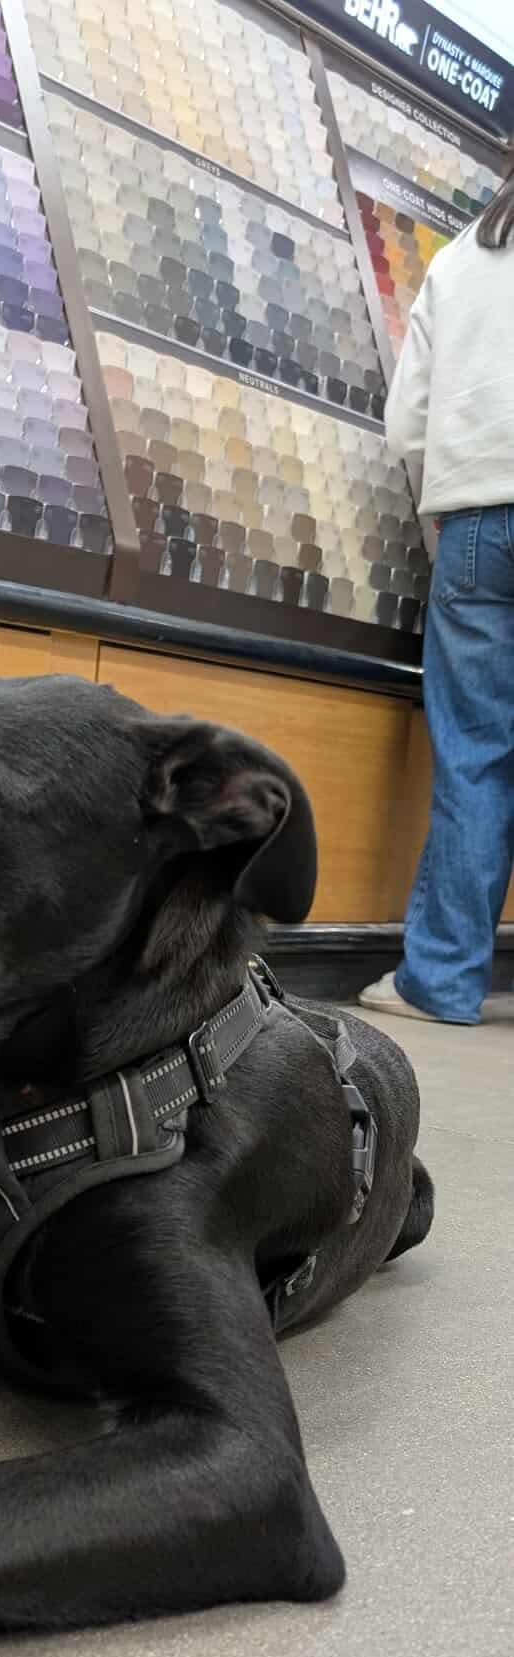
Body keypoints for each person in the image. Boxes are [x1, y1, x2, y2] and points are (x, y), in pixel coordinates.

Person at [360, 167, 514, 1026]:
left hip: (475, 528)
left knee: (475, 757)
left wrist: (443, 510)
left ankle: (443, 982)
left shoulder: (458, 261)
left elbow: (406, 422)